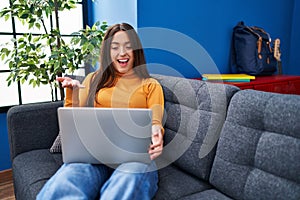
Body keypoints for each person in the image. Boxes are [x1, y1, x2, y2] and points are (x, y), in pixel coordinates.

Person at [37, 23, 165, 200]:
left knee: (126, 184)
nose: (122, 53)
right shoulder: (93, 79)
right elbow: (74, 122)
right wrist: (72, 92)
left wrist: (156, 132)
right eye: (115, 47)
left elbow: (155, 121)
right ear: (107, 51)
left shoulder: (150, 85)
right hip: (93, 156)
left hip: (134, 159)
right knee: (66, 182)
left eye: (128, 47)